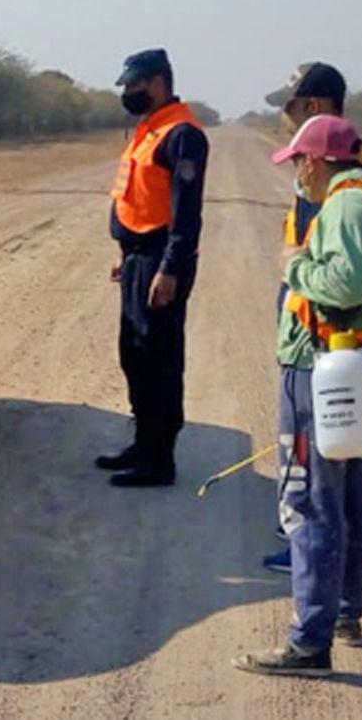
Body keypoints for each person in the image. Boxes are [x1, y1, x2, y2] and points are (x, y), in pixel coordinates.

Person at [233, 115, 362, 677]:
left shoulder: (344, 206)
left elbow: (343, 284)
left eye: (297, 164)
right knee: (355, 492)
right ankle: (343, 613)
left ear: (314, 161)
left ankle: (309, 642)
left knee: (312, 501)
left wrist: (296, 267)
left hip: (321, 370)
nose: (297, 177)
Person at [96, 48, 208, 488]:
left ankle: (160, 459)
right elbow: (136, 198)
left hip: (163, 260)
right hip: (139, 257)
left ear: (159, 82)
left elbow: (185, 216)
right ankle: (143, 442)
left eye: (134, 85)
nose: (128, 93)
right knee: (135, 354)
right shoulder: (148, 129)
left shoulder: (183, 135)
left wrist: (169, 270)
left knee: (159, 359)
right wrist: (125, 255)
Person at [260, 62, 353, 573]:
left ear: (314, 107)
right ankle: (311, 542)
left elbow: (330, 268)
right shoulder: (322, 164)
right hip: (305, 322)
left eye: (289, 106)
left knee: (307, 449)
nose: (282, 116)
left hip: (318, 335)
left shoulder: (331, 171)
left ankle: (309, 550)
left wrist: (295, 267)